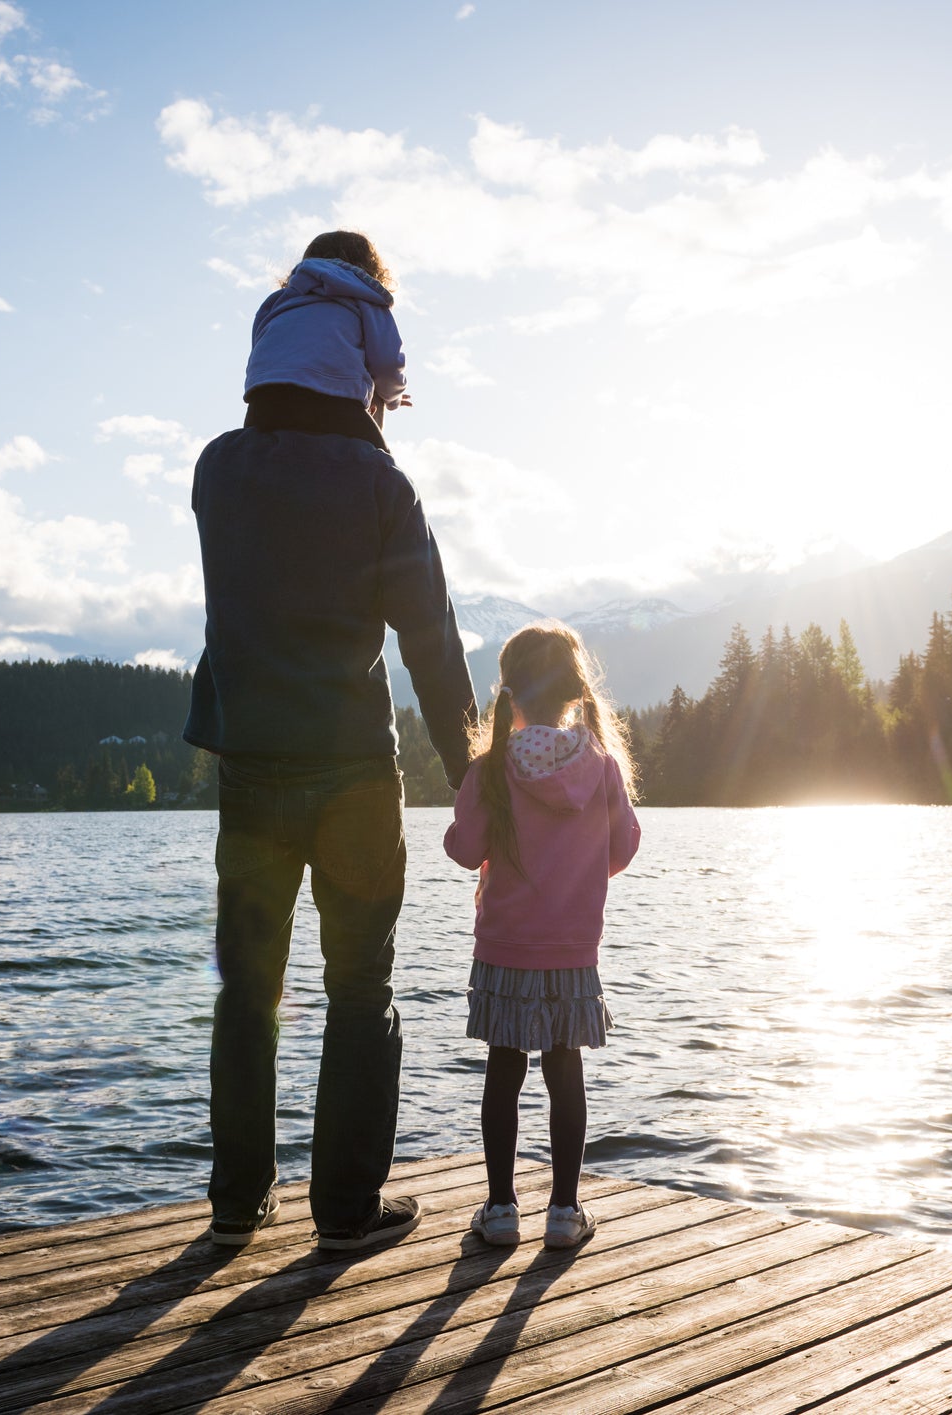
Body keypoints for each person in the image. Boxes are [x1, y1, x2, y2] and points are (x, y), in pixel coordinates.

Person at [187, 231, 477, 1253]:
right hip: (352, 771)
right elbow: (432, 646)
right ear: (360, 352)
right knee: (359, 990)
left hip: (250, 769)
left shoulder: (218, 470)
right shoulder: (379, 486)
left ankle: (237, 1202)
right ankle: (345, 1209)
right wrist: (474, 779)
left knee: (247, 991)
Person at [444, 624, 641, 1250]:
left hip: (505, 946)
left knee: (504, 1071)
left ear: (509, 694)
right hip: (572, 950)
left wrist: (459, 823)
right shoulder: (601, 767)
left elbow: (464, 849)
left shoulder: (491, 769)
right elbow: (624, 847)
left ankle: (502, 1209)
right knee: (565, 1069)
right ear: (574, 693)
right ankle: (563, 1211)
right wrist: (579, 871)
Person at [242, 230, 411, 449]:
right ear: (372, 269)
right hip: (334, 402)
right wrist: (393, 397)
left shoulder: (277, 301)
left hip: (265, 400)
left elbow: (260, 348)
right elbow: (387, 364)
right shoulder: (368, 300)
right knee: (380, 458)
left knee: (253, 452)